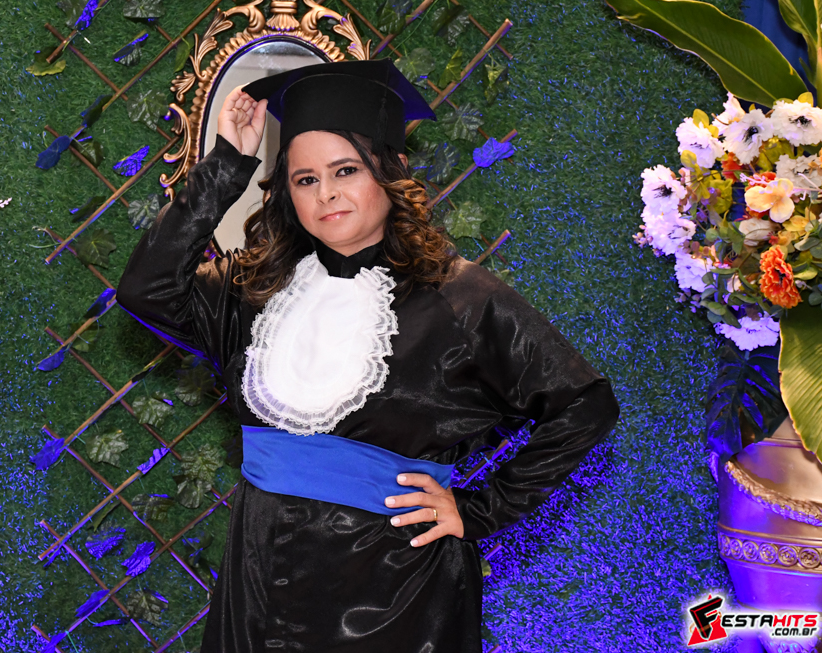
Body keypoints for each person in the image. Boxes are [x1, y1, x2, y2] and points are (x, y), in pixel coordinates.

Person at [116, 59, 620, 653]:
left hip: (394, 598)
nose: (326, 193)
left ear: (391, 170)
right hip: (257, 586)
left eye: (346, 170)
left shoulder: (462, 298)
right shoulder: (252, 292)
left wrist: (482, 510)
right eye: (305, 179)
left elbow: (584, 405)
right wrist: (227, 165)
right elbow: (146, 291)